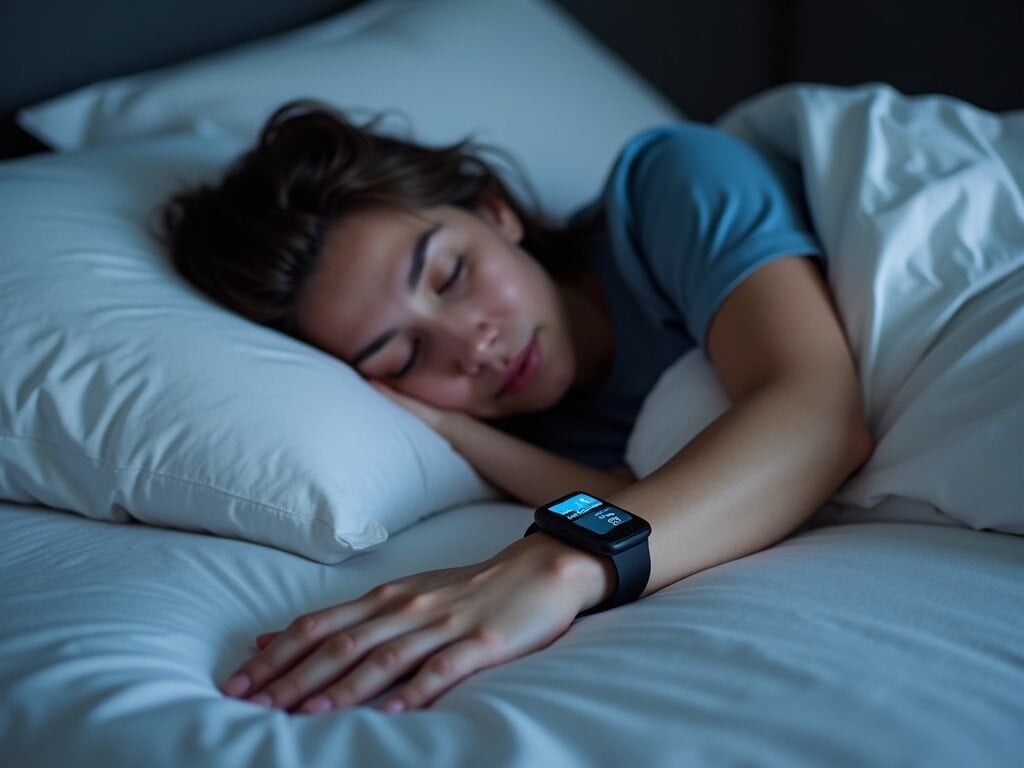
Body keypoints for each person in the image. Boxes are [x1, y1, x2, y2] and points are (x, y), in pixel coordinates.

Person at [162, 100, 872, 716]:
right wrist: (454, 431)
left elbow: (815, 413)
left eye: (450, 273)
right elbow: (673, 503)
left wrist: (553, 565)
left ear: (496, 212)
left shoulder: (672, 184)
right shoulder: (547, 426)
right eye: (404, 356)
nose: (471, 346)